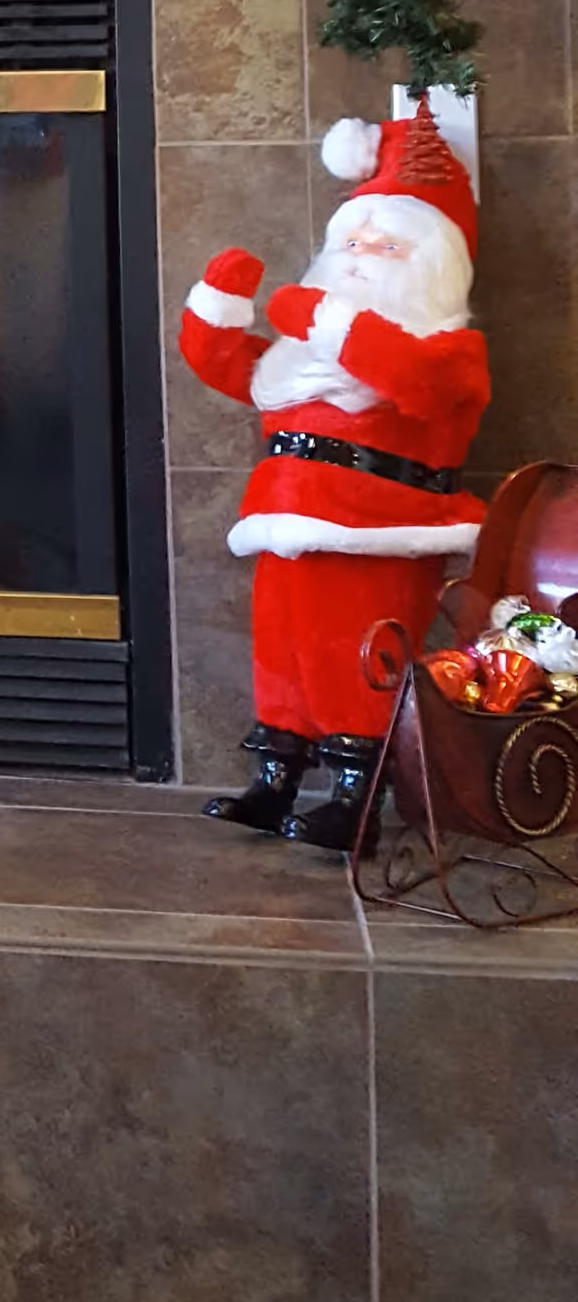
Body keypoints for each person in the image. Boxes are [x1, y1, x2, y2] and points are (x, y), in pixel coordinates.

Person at [179, 97, 487, 852]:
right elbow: (235, 367)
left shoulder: (446, 351)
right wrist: (218, 307)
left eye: (385, 246)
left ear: (438, 263)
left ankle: (359, 797)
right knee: (281, 652)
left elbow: (405, 372)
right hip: (286, 519)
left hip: (379, 531)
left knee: (361, 658)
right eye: (353, 238)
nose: (360, 250)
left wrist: (315, 314)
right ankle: (276, 777)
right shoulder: (299, 357)